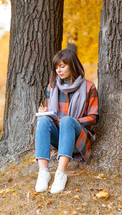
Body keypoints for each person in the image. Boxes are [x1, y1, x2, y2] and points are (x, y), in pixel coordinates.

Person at [35, 49, 99, 194]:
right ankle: (43, 172)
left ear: (72, 65)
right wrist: (45, 113)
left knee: (67, 121)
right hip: (59, 139)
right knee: (43, 120)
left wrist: (70, 122)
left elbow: (93, 117)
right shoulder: (52, 87)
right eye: (56, 67)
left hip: (78, 138)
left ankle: (61, 173)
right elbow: (49, 113)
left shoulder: (89, 87)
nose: (59, 70)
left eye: (62, 66)